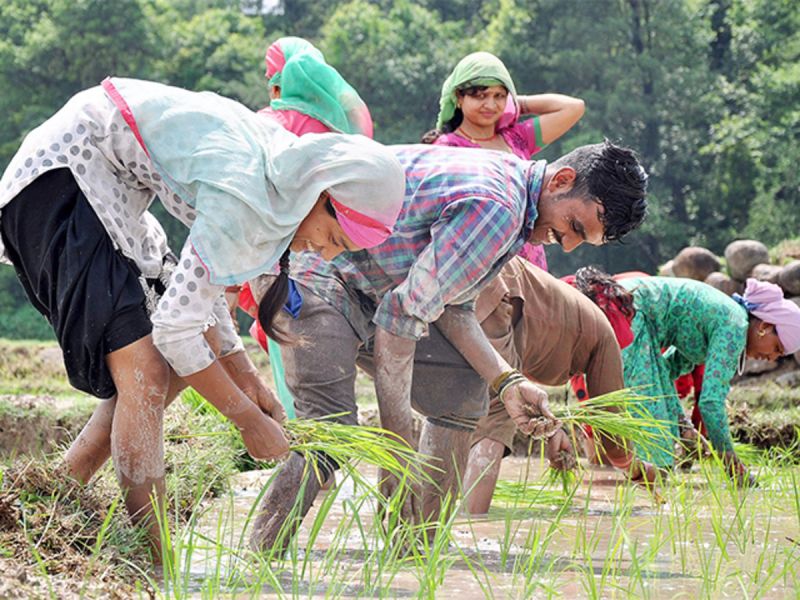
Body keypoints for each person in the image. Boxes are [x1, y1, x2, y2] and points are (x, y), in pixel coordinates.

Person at [0, 77, 405, 556]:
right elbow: (176, 327)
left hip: (117, 192)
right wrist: (246, 420)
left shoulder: (278, 181)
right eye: (334, 238)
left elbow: (201, 295)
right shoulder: (252, 194)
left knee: (178, 360)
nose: (324, 250)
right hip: (68, 175)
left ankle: (60, 488)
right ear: (322, 195)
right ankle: (155, 560)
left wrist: (247, 378)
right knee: (147, 367)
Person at [247, 139, 648, 551]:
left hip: (370, 289)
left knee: (462, 390)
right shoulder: (499, 208)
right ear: (563, 180)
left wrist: (507, 383)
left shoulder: (513, 200)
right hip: (314, 267)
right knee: (333, 430)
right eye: (575, 227)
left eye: (582, 241)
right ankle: (259, 556)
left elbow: (452, 306)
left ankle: (415, 547)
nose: (565, 245)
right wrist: (398, 456)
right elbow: (399, 322)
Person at [461, 259, 658, 515]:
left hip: (479, 278)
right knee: (498, 413)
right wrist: (639, 470)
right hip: (500, 293)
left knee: (453, 412)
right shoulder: (605, 335)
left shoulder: (562, 302)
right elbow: (613, 438)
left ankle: (428, 517)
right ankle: (469, 527)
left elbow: (524, 362)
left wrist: (553, 431)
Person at [575, 268, 800, 483]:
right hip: (630, 311)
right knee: (656, 442)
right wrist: (732, 465)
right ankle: (644, 507)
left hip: (630, 308)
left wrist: (683, 427)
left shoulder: (725, 319)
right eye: (777, 348)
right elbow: (711, 404)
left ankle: (644, 488)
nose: (771, 358)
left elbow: (665, 370)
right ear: (765, 326)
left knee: (657, 414)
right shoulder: (735, 328)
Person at [423, 51, 585, 270]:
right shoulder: (447, 148)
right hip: (479, 263)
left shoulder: (517, 138)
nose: (490, 104)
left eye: (499, 95)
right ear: (459, 97)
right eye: (480, 95)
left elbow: (574, 108)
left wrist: (518, 104)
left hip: (530, 261)